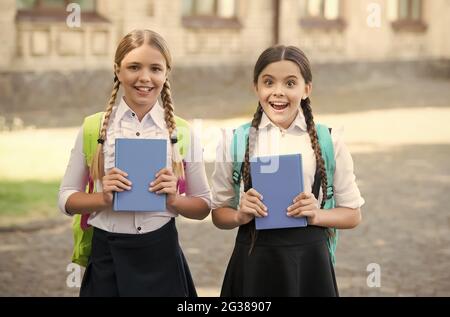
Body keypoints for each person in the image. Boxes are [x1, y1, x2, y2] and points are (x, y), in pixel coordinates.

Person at [58, 29, 211, 297]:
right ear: (118, 71)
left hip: (161, 254)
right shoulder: (94, 128)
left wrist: (174, 200)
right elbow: (66, 199)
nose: (144, 77)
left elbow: (203, 206)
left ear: (166, 73)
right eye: (134, 67)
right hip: (108, 256)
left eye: (155, 68)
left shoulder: (182, 132)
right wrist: (103, 198)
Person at [211, 45, 364, 296]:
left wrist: (316, 215)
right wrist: (239, 215)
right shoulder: (234, 140)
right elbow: (218, 214)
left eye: (290, 83)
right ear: (256, 87)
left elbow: (353, 215)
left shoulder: (329, 140)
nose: (278, 92)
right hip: (253, 263)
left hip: (309, 264)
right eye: (268, 82)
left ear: (307, 89)